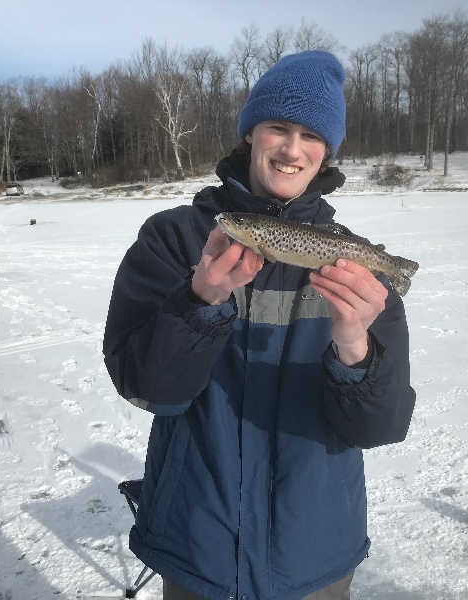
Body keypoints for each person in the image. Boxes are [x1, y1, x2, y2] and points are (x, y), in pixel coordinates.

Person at [103, 50, 416, 600]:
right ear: (252, 133)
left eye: (311, 136)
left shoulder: (355, 266)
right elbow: (146, 388)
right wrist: (200, 301)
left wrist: (354, 348)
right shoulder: (174, 239)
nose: (293, 149)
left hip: (314, 553)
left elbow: (381, 428)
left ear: (327, 152)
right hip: (197, 544)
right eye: (278, 128)